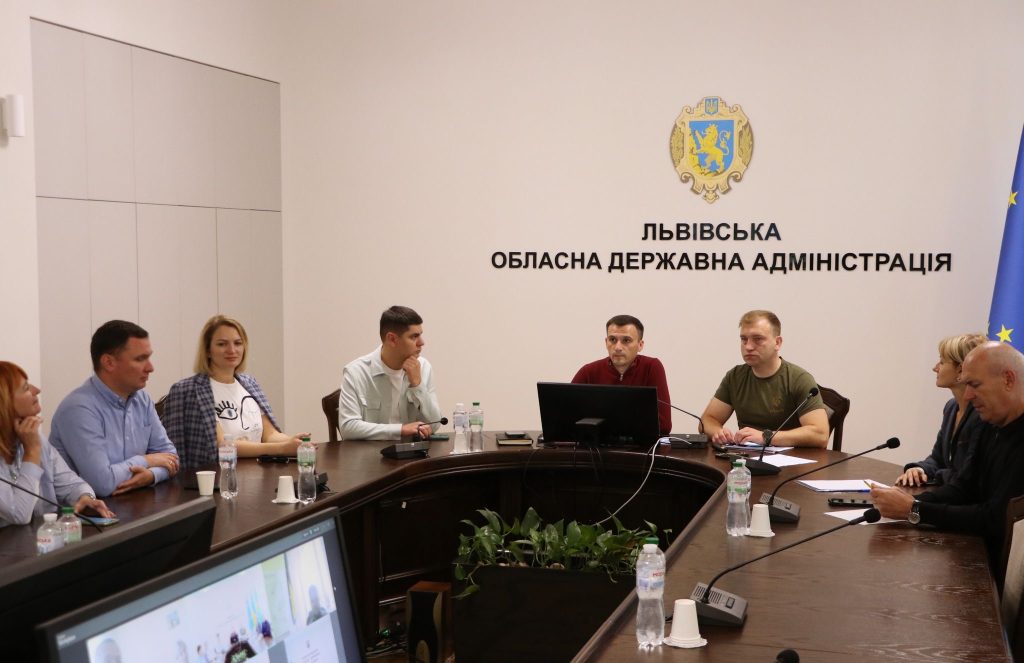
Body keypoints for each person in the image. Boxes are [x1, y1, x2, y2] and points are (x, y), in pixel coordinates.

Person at [871, 342, 1024, 573]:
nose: (969, 395)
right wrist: (908, 501)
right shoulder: (991, 424)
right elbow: (964, 487)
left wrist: (915, 510)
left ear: (1008, 380)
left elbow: (995, 519)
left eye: (974, 385)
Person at [50, 320, 180, 497]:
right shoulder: (78, 409)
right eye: (140, 359)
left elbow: (171, 458)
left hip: (134, 504)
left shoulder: (142, 399)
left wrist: (150, 475)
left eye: (148, 357)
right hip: (86, 511)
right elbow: (103, 483)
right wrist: (146, 460)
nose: (150, 368)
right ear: (109, 362)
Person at [164, 315, 309, 468]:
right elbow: (222, 445)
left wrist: (295, 442)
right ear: (207, 350)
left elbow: (270, 434)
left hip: (259, 474)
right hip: (219, 477)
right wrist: (282, 449)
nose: (232, 350)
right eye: (222, 344)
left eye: (238, 343)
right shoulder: (190, 390)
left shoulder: (249, 383)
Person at [0, 361, 114, 526]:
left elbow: (73, 484)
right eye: (25, 388)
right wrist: (32, 452)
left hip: (43, 537)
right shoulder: (33, 444)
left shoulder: (34, 439)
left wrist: (85, 498)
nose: (36, 390)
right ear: (4, 403)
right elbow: (19, 514)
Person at [700, 310, 829, 448]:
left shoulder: (799, 379)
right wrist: (718, 432)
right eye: (744, 339)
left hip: (790, 458)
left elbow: (820, 435)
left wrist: (766, 437)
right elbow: (707, 420)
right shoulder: (735, 376)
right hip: (746, 456)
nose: (748, 346)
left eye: (758, 339)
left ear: (777, 343)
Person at [895, 333, 988, 487]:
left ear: (960, 370)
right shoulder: (951, 408)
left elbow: (966, 474)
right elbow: (937, 458)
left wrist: (936, 474)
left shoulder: (982, 414)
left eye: (942, 362)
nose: (935, 368)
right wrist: (919, 469)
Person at [338, 306, 442, 440]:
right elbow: (348, 428)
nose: (422, 343)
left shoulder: (423, 367)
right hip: (370, 452)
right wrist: (400, 430)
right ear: (392, 339)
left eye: (420, 335)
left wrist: (417, 385)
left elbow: (435, 425)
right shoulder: (356, 372)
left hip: (413, 450)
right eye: (414, 336)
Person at [571, 315, 672, 434]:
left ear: (640, 345)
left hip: (641, 444)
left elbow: (664, 425)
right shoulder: (588, 372)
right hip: (596, 444)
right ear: (606, 342)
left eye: (626, 340)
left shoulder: (652, 367)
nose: (618, 347)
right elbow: (565, 418)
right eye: (613, 340)